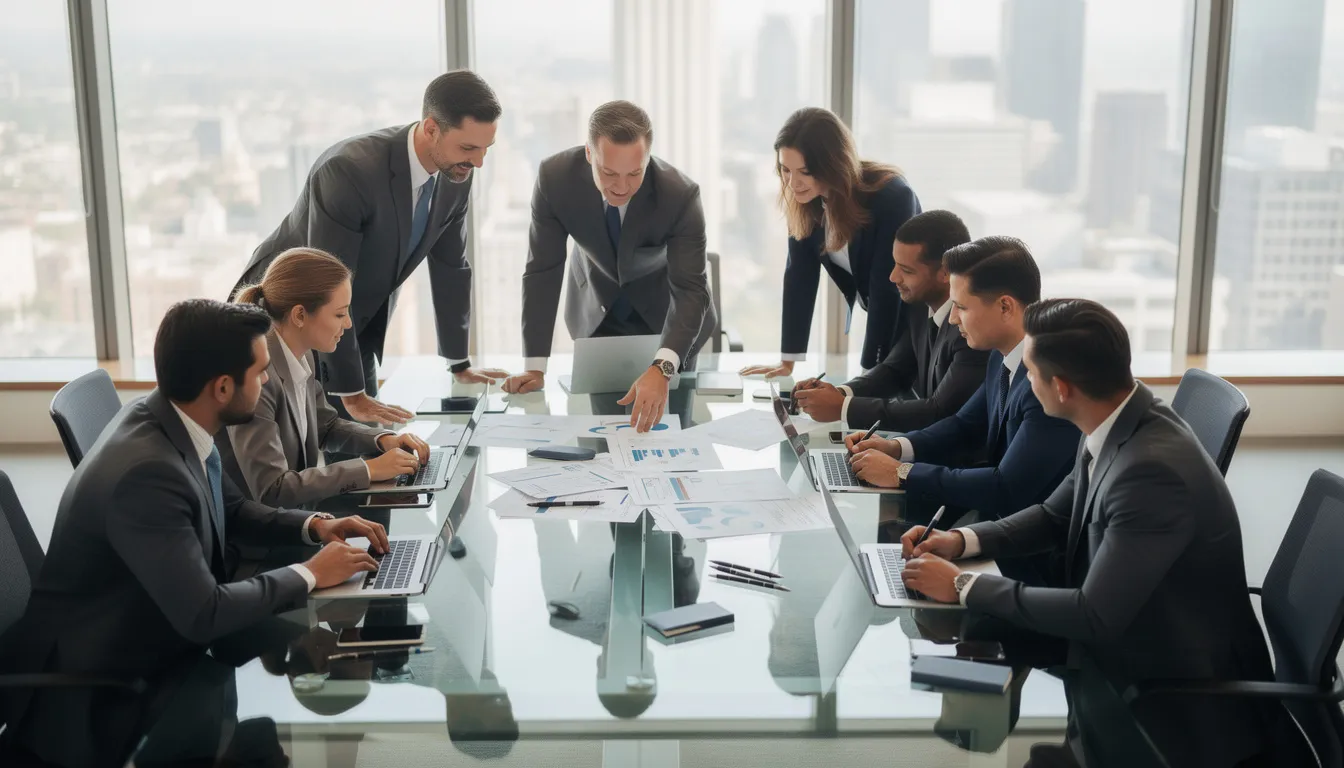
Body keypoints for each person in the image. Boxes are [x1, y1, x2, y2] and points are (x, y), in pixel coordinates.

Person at [0, 299, 390, 768]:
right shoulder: (147, 475)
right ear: (223, 387)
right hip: (100, 687)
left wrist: (315, 526)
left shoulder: (174, 416)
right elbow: (204, 614)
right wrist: (309, 574)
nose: (268, 381)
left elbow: (233, 506)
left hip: (147, 631)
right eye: (261, 372)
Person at [900, 299, 1279, 768]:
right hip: (1127, 629)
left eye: (1032, 373)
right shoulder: (1114, 416)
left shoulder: (1152, 473)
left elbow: (1094, 616)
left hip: (1167, 682)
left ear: (1061, 387)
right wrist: (964, 542)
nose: (1025, 381)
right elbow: (1053, 515)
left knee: (976, 620)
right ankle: (953, 734)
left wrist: (962, 584)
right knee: (969, 639)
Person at [235, 70, 512, 429]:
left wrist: (459, 362)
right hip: (288, 318)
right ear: (431, 129)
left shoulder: (456, 173)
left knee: (369, 447)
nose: (478, 163)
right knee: (301, 449)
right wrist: (350, 392)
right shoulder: (349, 170)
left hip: (351, 322)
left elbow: (451, 266)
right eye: (468, 148)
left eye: (485, 149)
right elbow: (327, 282)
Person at [503, 100, 715, 433]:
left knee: (673, 440)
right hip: (598, 317)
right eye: (608, 172)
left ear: (648, 158)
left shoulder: (680, 195)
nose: (621, 186)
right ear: (589, 154)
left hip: (671, 322)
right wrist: (534, 367)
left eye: (635, 173)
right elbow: (542, 271)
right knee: (601, 441)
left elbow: (690, 290)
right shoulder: (555, 178)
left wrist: (662, 367)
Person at [844, 237, 1079, 530]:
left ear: (1006, 307)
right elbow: (964, 425)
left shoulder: (1048, 382)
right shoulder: (1001, 356)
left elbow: (1006, 486)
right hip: (992, 524)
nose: (953, 319)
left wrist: (902, 472)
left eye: (961, 307)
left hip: (1028, 547)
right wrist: (895, 447)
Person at [221, 247, 433, 507]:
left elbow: (326, 426)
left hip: (298, 520)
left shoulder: (300, 353)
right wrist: (369, 470)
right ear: (300, 315)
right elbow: (273, 488)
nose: (348, 325)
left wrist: (383, 440)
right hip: (256, 540)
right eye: (340, 314)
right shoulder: (257, 377)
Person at [740, 106, 921, 378]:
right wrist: (787, 362)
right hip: (885, 317)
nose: (793, 183)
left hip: (920, 320)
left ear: (832, 163)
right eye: (785, 170)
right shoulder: (806, 200)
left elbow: (886, 287)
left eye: (804, 171)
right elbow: (799, 275)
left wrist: (867, 375)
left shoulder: (892, 197)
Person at [792, 210, 989, 431]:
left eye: (906, 270)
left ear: (945, 273)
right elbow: (894, 370)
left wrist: (843, 408)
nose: (893, 277)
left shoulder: (973, 330)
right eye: (894, 264)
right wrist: (838, 394)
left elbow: (939, 412)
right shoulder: (918, 305)